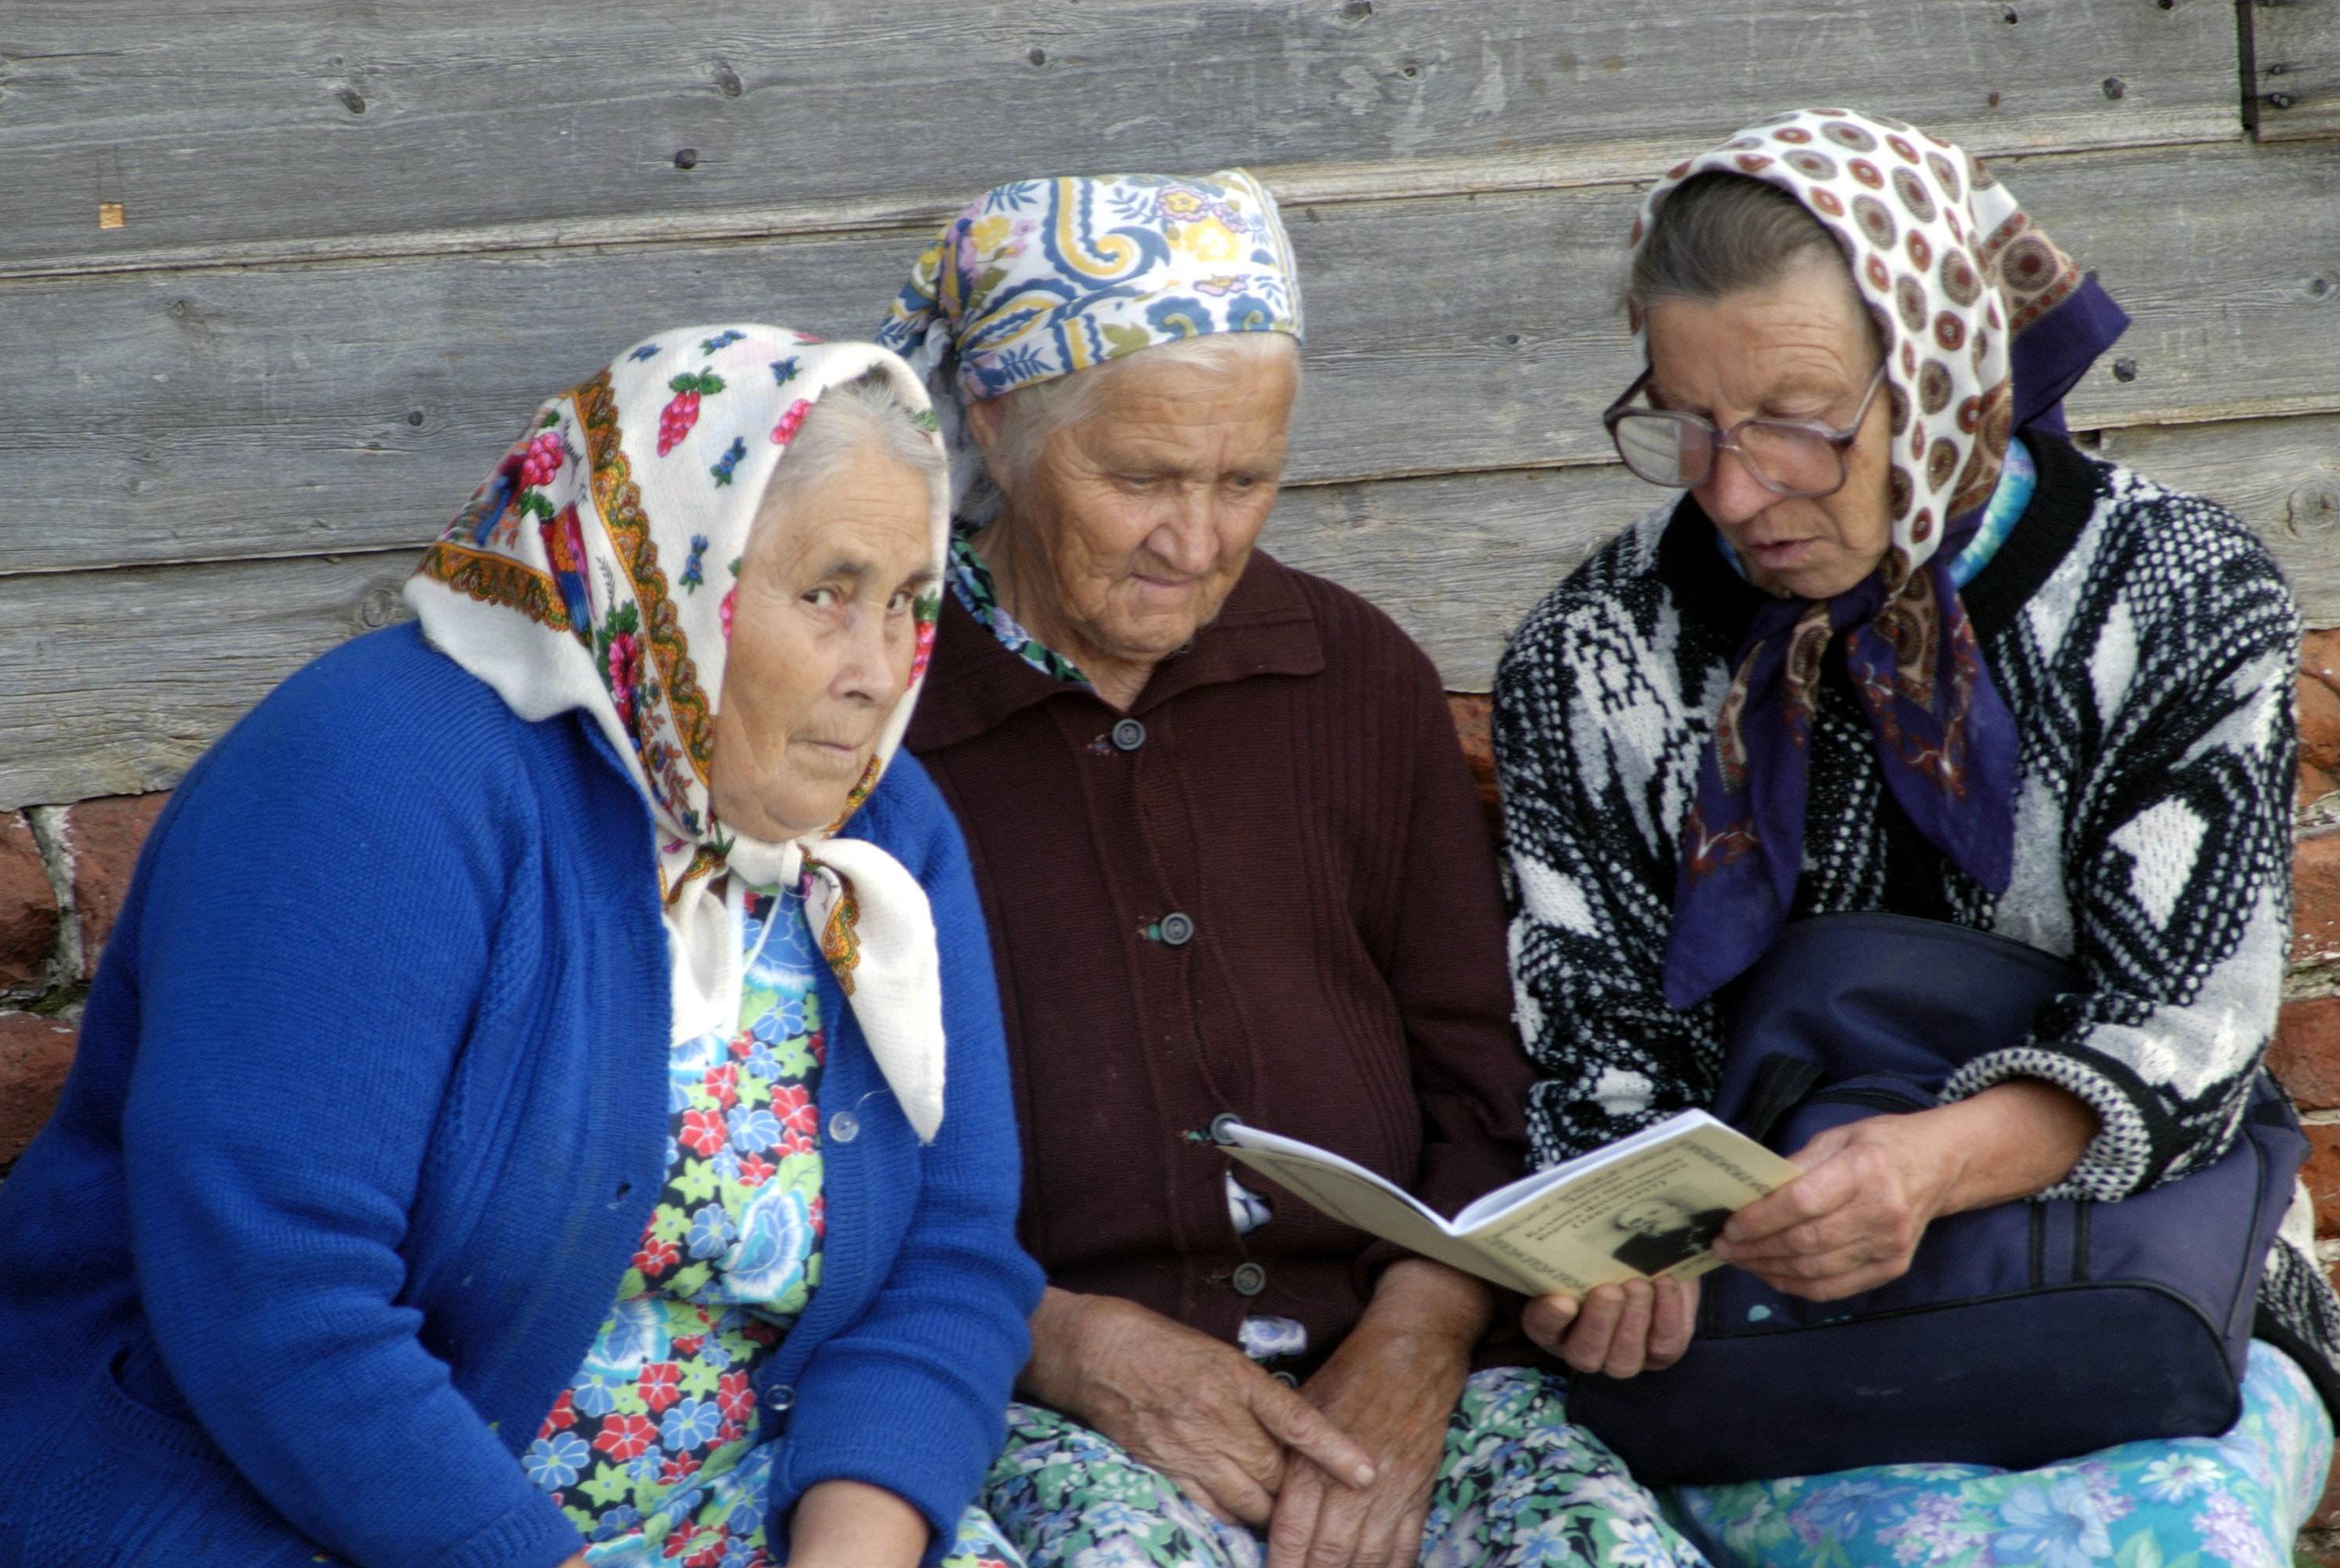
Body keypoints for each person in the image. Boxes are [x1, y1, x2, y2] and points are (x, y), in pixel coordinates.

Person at [0, 327, 1043, 1568]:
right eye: (825, 594)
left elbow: (952, 1257)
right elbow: (277, 1295)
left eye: (909, 601)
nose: (877, 671)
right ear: (667, 573)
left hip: (733, 1505)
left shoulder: (883, 829)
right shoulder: (377, 776)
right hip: (300, 1508)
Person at [1493, 108, 2340, 1565]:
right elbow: (1595, 1055)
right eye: (1685, 418)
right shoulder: (1594, 654)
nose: (1730, 487)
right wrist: (1613, 1259)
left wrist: (1928, 1167)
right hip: (1760, 1330)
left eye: (1799, 424)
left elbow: (2185, 1039)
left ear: (1945, 364)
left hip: (2141, 1287)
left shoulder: (2175, 598)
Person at [876, 170, 1710, 1568]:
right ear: (993, 428)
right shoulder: (874, 715)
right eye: (1137, 476)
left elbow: (1480, 1076)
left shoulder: (1351, 677)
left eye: (1242, 479)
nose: (1193, 543)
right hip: (1040, 1403)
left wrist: (1417, 1339)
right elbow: (785, 1146)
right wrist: (1057, 1343)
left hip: (1399, 1371)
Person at [1608, 1199, 1731, 1278]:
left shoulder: (1721, 1216)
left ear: (1676, 1209)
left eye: (1654, 1213)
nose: (1649, 1220)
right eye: (1637, 1221)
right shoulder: (1628, 1254)